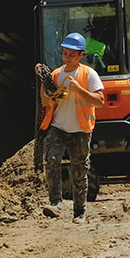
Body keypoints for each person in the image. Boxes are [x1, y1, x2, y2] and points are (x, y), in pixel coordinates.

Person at [39, 31, 104, 222]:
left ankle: (79, 212)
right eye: (65, 53)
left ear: (81, 55)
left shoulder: (89, 74)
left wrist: (79, 90)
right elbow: (45, 101)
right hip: (58, 127)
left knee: (79, 171)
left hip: (81, 130)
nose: (68, 57)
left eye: (72, 54)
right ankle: (55, 203)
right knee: (51, 159)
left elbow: (100, 101)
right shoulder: (56, 75)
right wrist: (45, 84)